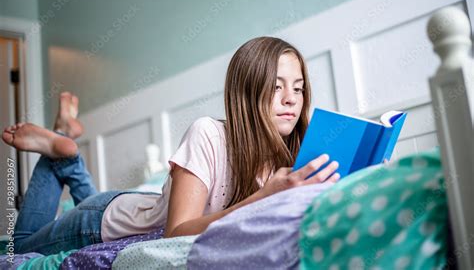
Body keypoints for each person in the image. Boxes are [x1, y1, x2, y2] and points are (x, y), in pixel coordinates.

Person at [2, 37, 340, 255]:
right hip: (104, 219)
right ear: (248, 92)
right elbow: (175, 233)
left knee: (81, 197)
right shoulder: (208, 133)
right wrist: (264, 196)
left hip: (136, 204)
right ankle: (63, 153)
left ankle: (64, 146)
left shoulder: (291, 157)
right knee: (18, 248)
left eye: (298, 89)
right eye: (277, 86)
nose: (290, 100)